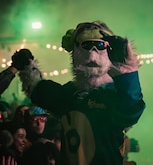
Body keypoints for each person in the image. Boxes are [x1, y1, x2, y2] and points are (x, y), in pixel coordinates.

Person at [9, 20, 145, 165]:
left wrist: (125, 69)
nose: (92, 52)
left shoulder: (113, 94)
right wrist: (27, 67)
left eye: (99, 45)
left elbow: (130, 108)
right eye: (86, 45)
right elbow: (41, 91)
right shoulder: (71, 93)